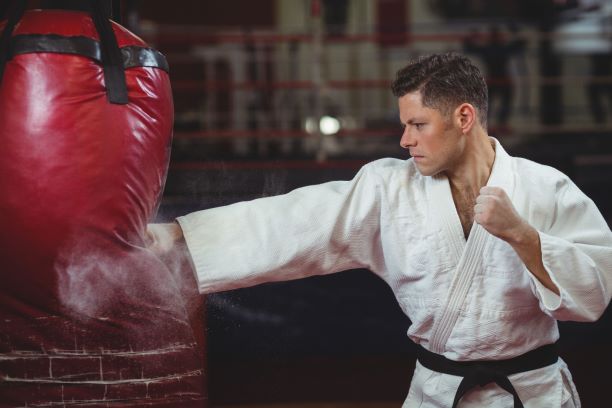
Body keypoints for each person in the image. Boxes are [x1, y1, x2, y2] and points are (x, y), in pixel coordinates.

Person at [147, 53, 612, 408]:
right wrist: (182, 235)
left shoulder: (545, 188)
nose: (405, 139)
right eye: (404, 125)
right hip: (439, 393)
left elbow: (593, 294)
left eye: (417, 124)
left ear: (463, 118)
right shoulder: (388, 188)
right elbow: (297, 220)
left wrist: (523, 237)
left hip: (534, 394)